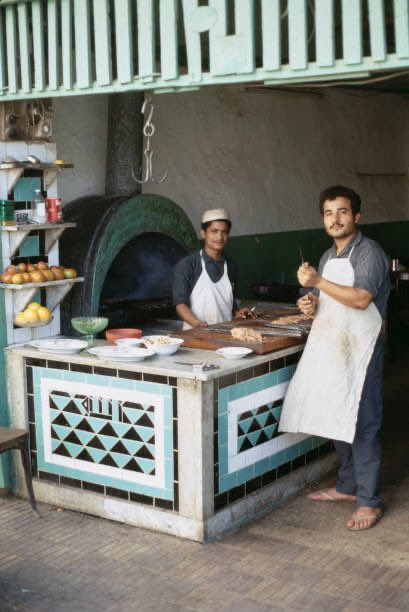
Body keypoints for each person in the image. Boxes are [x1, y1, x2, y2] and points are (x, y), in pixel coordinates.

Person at [279, 185, 390, 531]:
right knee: (338, 415)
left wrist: (318, 282)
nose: (335, 219)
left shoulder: (369, 252)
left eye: (342, 212)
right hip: (337, 347)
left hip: (364, 348)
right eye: (329, 213)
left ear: (356, 216)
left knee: (365, 424)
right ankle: (346, 486)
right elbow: (324, 299)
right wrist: (310, 302)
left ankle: (369, 502)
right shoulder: (328, 257)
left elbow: (360, 299)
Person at [172, 208, 255, 328]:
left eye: (224, 232)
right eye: (214, 231)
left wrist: (238, 312)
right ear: (203, 233)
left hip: (226, 334)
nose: (219, 237)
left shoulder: (231, 267)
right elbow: (180, 304)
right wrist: (196, 323)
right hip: (196, 336)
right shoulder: (188, 265)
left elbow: (230, 305)